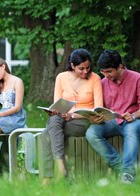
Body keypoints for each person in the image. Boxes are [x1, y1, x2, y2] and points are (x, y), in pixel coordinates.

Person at [85, 50, 140, 184]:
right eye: (103, 72)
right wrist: (94, 117)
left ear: (120, 67)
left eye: (109, 71)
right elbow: (99, 107)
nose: (105, 75)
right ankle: (122, 168)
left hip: (133, 121)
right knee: (91, 133)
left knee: (131, 131)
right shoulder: (102, 83)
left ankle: (128, 174)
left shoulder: (138, 79)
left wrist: (133, 115)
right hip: (112, 121)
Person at [41, 48, 104, 184]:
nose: (85, 71)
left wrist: (73, 116)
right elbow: (57, 103)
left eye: (88, 68)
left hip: (85, 120)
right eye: (81, 68)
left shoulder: (95, 79)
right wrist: (56, 111)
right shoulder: (61, 77)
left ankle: (49, 177)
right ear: (72, 65)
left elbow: (98, 109)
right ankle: (60, 168)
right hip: (63, 119)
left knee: (47, 133)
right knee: (54, 119)